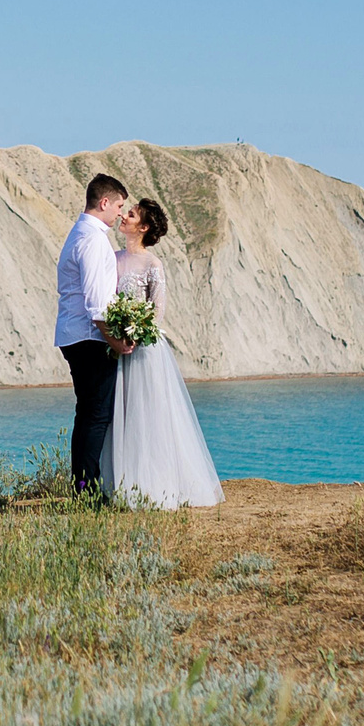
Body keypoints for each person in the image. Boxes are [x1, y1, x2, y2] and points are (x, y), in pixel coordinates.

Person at [101, 197, 224, 507]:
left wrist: (137, 334)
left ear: (142, 227)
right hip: (116, 348)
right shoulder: (111, 258)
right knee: (120, 414)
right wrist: (116, 334)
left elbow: (157, 309)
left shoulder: (152, 264)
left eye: (130, 215)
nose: (124, 217)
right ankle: (120, 483)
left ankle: (153, 484)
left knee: (148, 414)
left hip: (144, 350)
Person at [54, 174, 131, 494]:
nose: (121, 214)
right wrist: (116, 341)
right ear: (104, 203)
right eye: (119, 206)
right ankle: (86, 492)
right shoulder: (94, 239)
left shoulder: (81, 233)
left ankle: (83, 487)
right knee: (96, 416)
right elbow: (96, 302)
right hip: (88, 337)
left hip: (76, 334)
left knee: (88, 414)